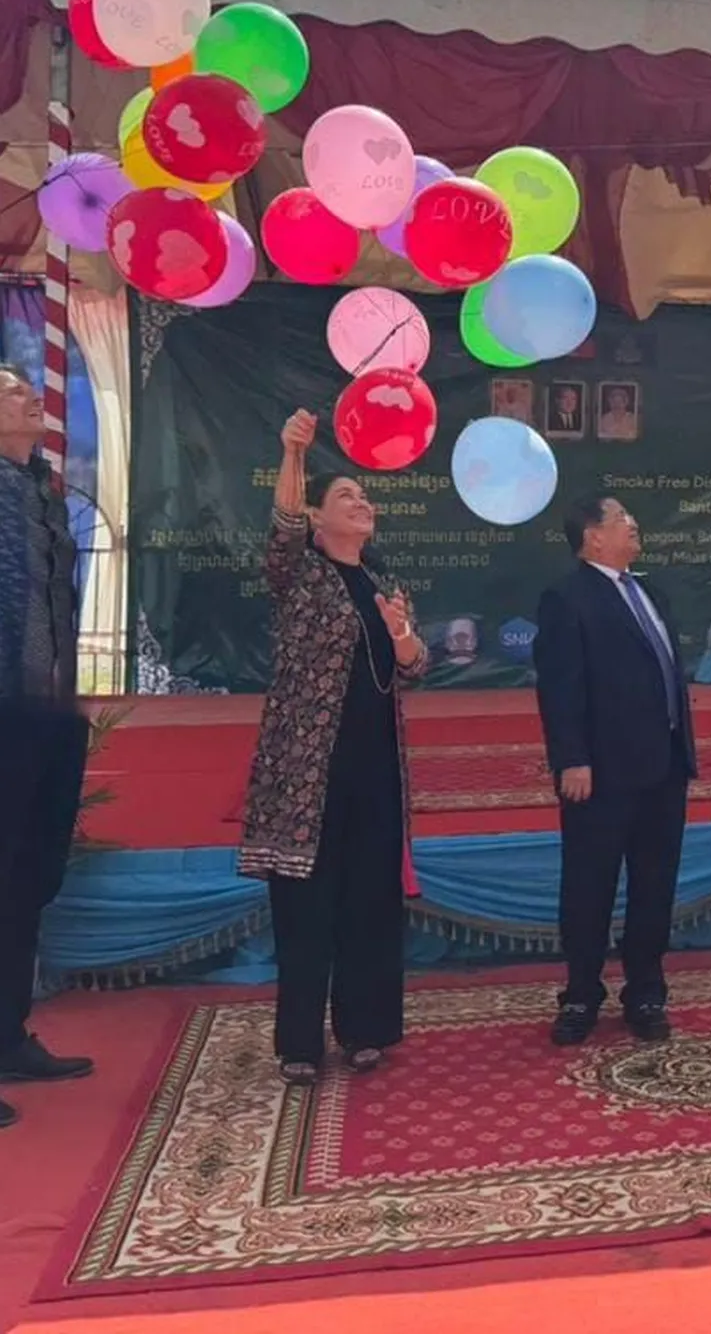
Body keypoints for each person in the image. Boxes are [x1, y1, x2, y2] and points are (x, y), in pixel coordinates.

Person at [238, 409, 428, 1087]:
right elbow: (283, 525)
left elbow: (413, 665)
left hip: (374, 765)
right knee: (306, 906)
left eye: (365, 495)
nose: (362, 502)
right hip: (306, 774)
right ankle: (298, 1043)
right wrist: (293, 453)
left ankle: (366, 1029)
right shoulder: (298, 571)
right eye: (347, 495)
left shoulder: (379, 582)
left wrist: (403, 635)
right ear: (319, 518)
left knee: (371, 901)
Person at [534, 496, 696, 1047]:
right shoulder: (566, 597)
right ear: (592, 536)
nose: (634, 524)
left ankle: (646, 992)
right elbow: (559, 688)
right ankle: (581, 993)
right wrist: (571, 758)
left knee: (654, 886)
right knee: (589, 886)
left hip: (664, 767)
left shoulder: (650, 591)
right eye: (622, 518)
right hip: (600, 772)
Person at [0, 364, 92, 1129]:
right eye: (11, 391)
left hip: (48, 706)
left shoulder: (44, 492)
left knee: (27, 878)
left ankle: (8, 1035)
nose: (31, 395)